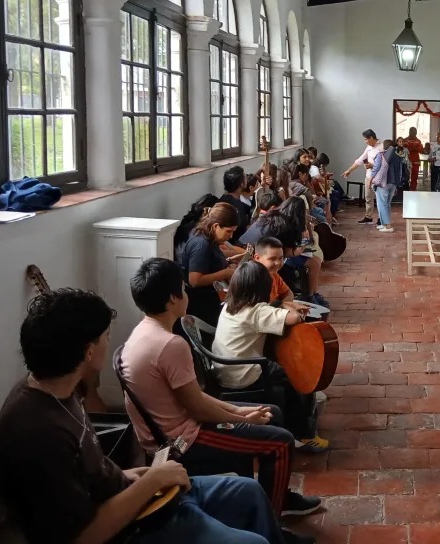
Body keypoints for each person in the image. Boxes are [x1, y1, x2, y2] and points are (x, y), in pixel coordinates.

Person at [0, 288, 286, 544]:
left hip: (133, 496)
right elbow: (83, 535)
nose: (109, 342)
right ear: (89, 352)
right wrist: (152, 481)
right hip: (128, 528)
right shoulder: (37, 433)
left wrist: (135, 476)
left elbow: (92, 474)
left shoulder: (58, 387)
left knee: (249, 491)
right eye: (106, 336)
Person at [121, 258, 321, 541]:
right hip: (183, 440)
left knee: (273, 412)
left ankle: (276, 497)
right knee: (281, 443)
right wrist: (240, 416)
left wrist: (240, 412)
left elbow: (194, 397)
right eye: (183, 289)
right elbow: (198, 409)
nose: (187, 294)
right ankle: (271, 525)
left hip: (177, 425)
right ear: (173, 299)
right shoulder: (170, 345)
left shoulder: (142, 333)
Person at [213, 259, 328, 452]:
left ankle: (296, 424)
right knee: (300, 375)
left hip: (225, 368)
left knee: (283, 368)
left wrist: (280, 304)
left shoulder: (230, 305)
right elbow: (295, 318)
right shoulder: (257, 311)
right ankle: (304, 434)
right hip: (246, 374)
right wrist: (288, 307)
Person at [178, 202, 239, 327]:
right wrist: (225, 273)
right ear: (216, 226)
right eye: (228, 231)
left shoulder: (208, 237)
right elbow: (195, 280)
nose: (231, 236)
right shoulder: (201, 244)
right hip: (202, 304)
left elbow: (212, 259)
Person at [342, 129, 382, 224]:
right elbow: (360, 160)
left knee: (380, 199)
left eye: (365, 139)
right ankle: (368, 216)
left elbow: (385, 164)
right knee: (368, 198)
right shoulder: (369, 147)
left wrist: (372, 165)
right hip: (369, 176)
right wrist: (349, 170)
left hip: (379, 177)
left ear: (371, 137)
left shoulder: (382, 147)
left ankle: (381, 218)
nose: (365, 141)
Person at [372, 139, 402, 232]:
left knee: (382, 204)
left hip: (383, 182)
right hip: (393, 183)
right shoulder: (398, 156)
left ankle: (388, 226)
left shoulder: (381, 155)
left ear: (384, 146)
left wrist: (371, 179)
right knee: (387, 204)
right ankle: (384, 224)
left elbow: (376, 168)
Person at [220, 166, 252, 243]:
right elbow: (244, 228)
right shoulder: (236, 207)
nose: (247, 180)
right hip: (235, 245)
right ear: (241, 184)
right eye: (245, 178)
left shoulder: (223, 198)